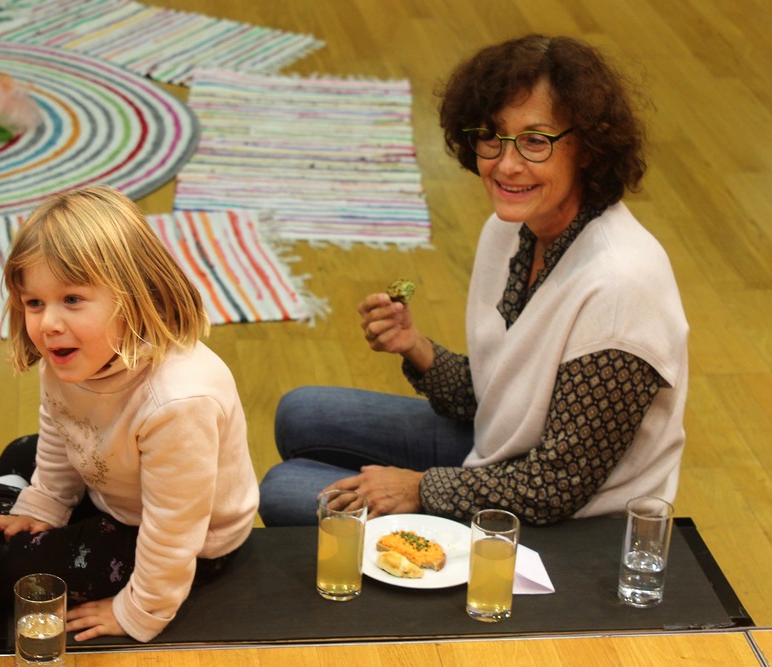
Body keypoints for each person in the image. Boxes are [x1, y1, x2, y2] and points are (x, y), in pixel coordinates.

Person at [258, 34, 689, 527]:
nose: (506, 164)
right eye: (492, 136)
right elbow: (500, 396)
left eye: (535, 141)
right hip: (506, 461)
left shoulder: (620, 288)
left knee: (283, 491)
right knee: (300, 413)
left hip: (570, 526)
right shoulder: (512, 230)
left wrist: (419, 488)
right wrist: (415, 347)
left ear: (587, 149)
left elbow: (556, 487)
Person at [0, 185, 258, 643]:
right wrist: (45, 503)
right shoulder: (73, 351)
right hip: (121, 491)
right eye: (35, 303)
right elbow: (64, 430)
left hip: (188, 540)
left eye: (72, 299)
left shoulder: (179, 402)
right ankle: (7, 493)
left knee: (7, 574)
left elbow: (174, 530)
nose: (49, 324)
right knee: (19, 454)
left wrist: (137, 611)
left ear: (135, 297)